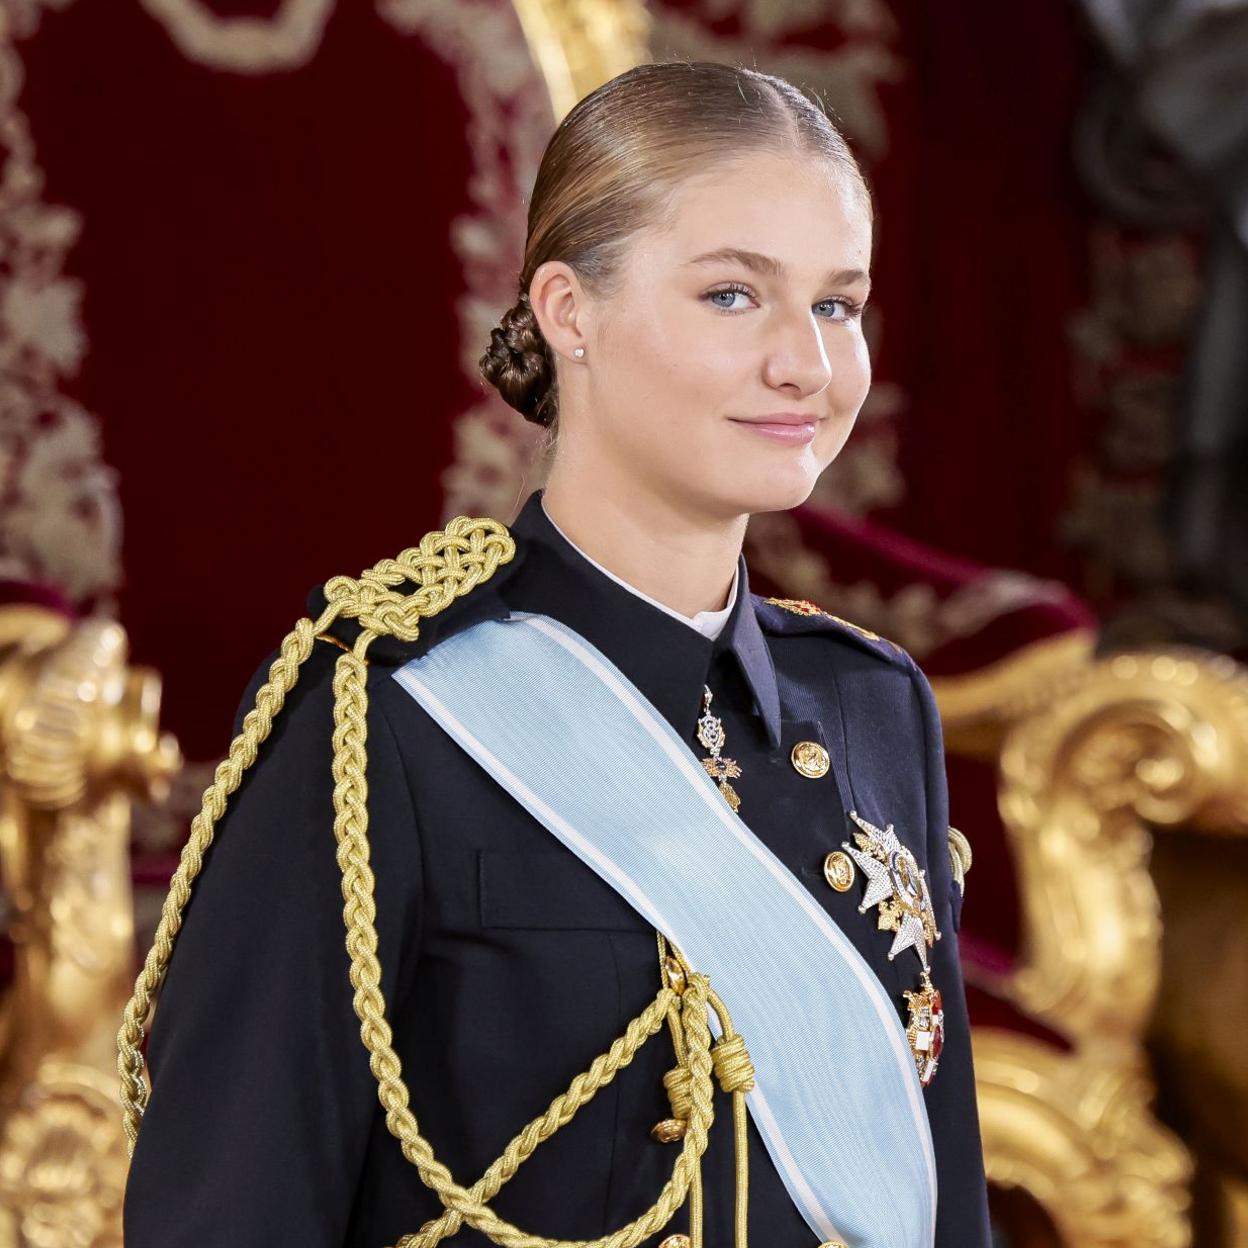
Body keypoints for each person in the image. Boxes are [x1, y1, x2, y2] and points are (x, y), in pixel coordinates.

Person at [119, 59, 990, 1248]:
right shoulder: (387, 715)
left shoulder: (873, 709)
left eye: (837, 305)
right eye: (733, 296)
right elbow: (230, 1211)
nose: (808, 365)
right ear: (567, 312)